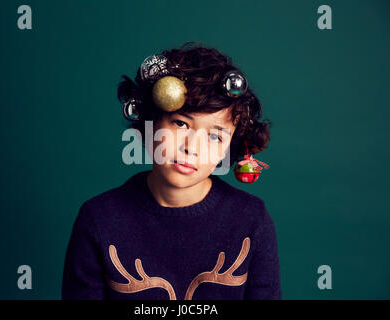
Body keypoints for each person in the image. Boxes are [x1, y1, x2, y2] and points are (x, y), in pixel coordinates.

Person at [62, 41, 281, 300]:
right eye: (180, 123)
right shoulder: (98, 219)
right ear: (150, 125)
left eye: (215, 137)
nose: (192, 148)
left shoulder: (251, 219)